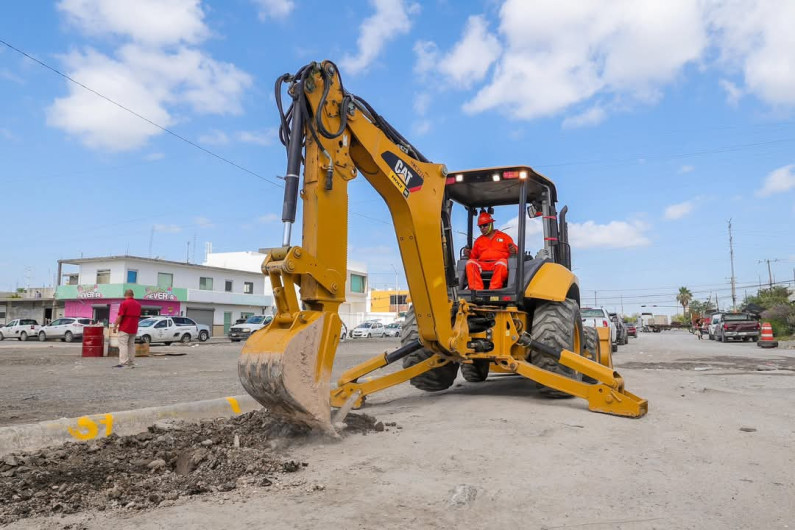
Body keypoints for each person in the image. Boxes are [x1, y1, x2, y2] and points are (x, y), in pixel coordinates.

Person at [464, 212, 517, 290]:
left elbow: (515, 248)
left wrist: (514, 250)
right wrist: (468, 254)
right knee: (470, 263)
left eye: (485, 225)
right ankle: (476, 291)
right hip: (483, 264)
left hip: (499, 264)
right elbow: (473, 257)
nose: (482, 228)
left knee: (502, 262)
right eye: (480, 226)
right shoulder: (478, 241)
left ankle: (493, 290)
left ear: (491, 224)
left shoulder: (504, 237)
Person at [112, 289, 141, 368]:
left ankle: (123, 363)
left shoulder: (124, 303)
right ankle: (131, 362)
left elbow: (120, 316)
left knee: (123, 345)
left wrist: (115, 326)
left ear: (125, 295)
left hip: (125, 327)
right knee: (131, 345)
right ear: (133, 295)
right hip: (134, 328)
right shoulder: (138, 304)